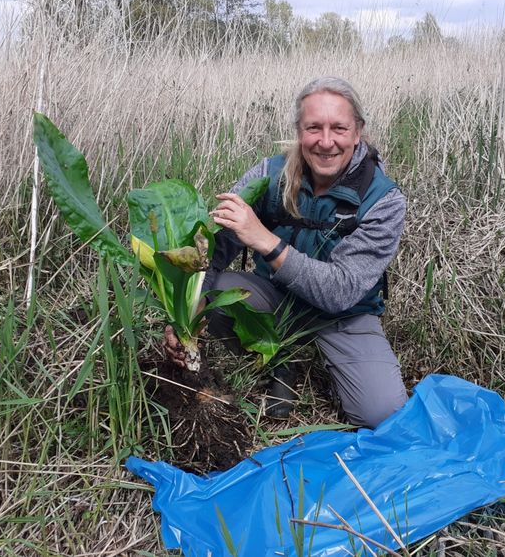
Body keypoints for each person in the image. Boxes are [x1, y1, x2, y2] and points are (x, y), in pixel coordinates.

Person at [164, 76, 408, 429]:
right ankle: (280, 357)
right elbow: (209, 252)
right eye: (313, 128)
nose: (326, 142)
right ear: (298, 131)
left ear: (358, 132)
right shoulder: (267, 175)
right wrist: (186, 315)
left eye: (339, 128)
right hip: (276, 298)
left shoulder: (383, 200)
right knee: (217, 291)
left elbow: (340, 292)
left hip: (345, 314)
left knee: (381, 415)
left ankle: (324, 355)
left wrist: (266, 241)